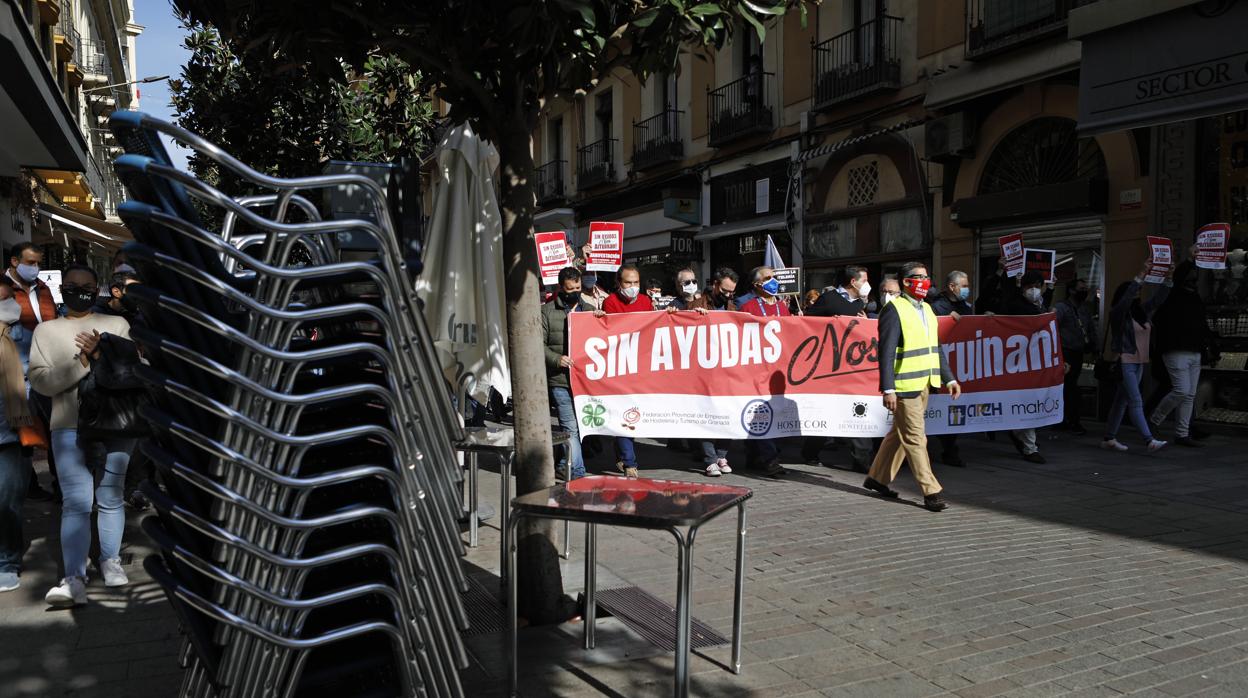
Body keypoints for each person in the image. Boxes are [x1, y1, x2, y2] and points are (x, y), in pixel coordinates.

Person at [29, 265, 133, 607]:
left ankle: (110, 559)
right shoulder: (46, 331)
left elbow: (131, 373)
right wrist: (81, 363)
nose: (80, 291)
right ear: (62, 289)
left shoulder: (116, 325)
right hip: (68, 424)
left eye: (87, 286)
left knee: (111, 495)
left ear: (97, 288)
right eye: (73, 285)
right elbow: (42, 382)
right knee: (76, 501)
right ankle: (74, 576)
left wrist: (102, 356)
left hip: (115, 422)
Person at [863, 261, 960, 513]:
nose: (925, 282)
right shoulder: (894, 309)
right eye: (920, 277)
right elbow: (885, 352)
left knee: (899, 434)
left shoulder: (927, 309)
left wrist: (948, 378)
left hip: (926, 383)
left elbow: (934, 347)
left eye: (927, 277)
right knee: (916, 438)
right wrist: (888, 388)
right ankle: (931, 491)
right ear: (906, 282)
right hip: (905, 386)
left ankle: (877, 478)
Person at [803, 266, 874, 472]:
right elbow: (807, 323)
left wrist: (865, 324)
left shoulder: (861, 303)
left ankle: (861, 459)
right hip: (828, 367)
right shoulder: (829, 299)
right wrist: (830, 324)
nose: (867, 284)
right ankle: (810, 452)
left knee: (857, 412)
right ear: (853, 282)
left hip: (853, 367)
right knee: (825, 412)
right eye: (865, 280)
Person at [1102, 262, 1172, 453]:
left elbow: (1158, 300)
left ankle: (1109, 437)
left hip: (1139, 362)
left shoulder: (1141, 313)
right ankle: (1148, 440)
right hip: (1125, 361)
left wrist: (1168, 279)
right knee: (1135, 400)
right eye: (1135, 291)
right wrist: (1140, 275)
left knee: (1121, 401)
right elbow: (1124, 302)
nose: (1138, 293)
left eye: (1139, 291)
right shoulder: (1118, 314)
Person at [6, 243, 56, 502]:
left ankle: (58, 483)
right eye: (31, 262)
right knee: (22, 432)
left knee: (53, 428)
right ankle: (28, 484)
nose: (35, 268)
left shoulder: (44, 289)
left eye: (38, 263)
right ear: (15, 262)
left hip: (46, 369)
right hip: (16, 374)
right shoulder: (3, 290)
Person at [1149, 256, 1214, 447]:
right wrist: (1189, 259)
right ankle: (1155, 419)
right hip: (1176, 350)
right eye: (1190, 278)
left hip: (1193, 350)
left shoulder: (1194, 299)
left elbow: (1202, 325)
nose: (1193, 282)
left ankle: (1182, 433)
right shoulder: (1173, 296)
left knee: (1189, 395)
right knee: (1182, 390)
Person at [684, 268, 738, 476]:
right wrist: (694, 318)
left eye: (732, 291)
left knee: (730, 413)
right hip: (702, 371)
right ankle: (709, 458)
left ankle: (721, 454)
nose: (728, 295)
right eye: (725, 290)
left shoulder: (733, 306)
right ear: (715, 285)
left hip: (727, 371)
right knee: (705, 415)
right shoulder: (696, 306)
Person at [602, 264, 653, 478]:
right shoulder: (610, 302)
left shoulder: (645, 301)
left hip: (641, 368)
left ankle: (622, 454)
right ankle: (630, 463)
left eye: (636, 283)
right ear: (618, 284)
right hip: (620, 368)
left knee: (633, 415)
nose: (632, 287)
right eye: (627, 283)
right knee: (625, 414)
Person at [542, 267, 591, 479]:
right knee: (570, 427)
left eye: (578, 288)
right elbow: (538, 344)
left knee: (580, 426)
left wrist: (601, 320)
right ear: (561, 288)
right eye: (570, 289)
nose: (575, 292)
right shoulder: (547, 312)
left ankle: (564, 463)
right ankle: (577, 471)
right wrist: (556, 359)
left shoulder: (588, 309)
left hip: (585, 382)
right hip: (560, 380)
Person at [739, 266, 788, 477]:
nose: (773, 281)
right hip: (756, 370)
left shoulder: (783, 307)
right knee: (760, 413)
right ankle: (769, 459)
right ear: (757, 285)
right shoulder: (748, 307)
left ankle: (755, 457)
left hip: (778, 370)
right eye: (768, 278)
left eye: (774, 277)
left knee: (775, 413)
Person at [998, 270, 1049, 464]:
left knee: (1030, 402)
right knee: (1026, 401)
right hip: (1018, 362)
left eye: (1038, 286)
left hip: (1036, 362)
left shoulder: (1042, 306)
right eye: (1030, 287)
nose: (1034, 291)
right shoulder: (1016, 305)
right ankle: (1029, 446)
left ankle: (1022, 437)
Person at [0, 277, 30, 592]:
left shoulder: (23, 336)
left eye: (9, 300)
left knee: (7, 501)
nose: (7, 308)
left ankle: (7, 561)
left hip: (12, 430)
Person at [926, 270, 975, 468]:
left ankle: (949, 449)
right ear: (952, 287)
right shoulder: (937, 306)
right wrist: (945, 317)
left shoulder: (964, 306)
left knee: (950, 409)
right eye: (963, 285)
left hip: (959, 365)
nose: (966, 289)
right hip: (941, 366)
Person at [1054, 278, 1096, 435]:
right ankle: (1068, 419)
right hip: (1066, 351)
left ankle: (1069, 418)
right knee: (1069, 387)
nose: (1084, 291)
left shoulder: (1084, 309)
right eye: (1081, 288)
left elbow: (1090, 328)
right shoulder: (1062, 308)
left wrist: (1093, 346)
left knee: (1071, 386)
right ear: (1072, 290)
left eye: (1085, 288)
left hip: (1078, 351)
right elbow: (1054, 328)